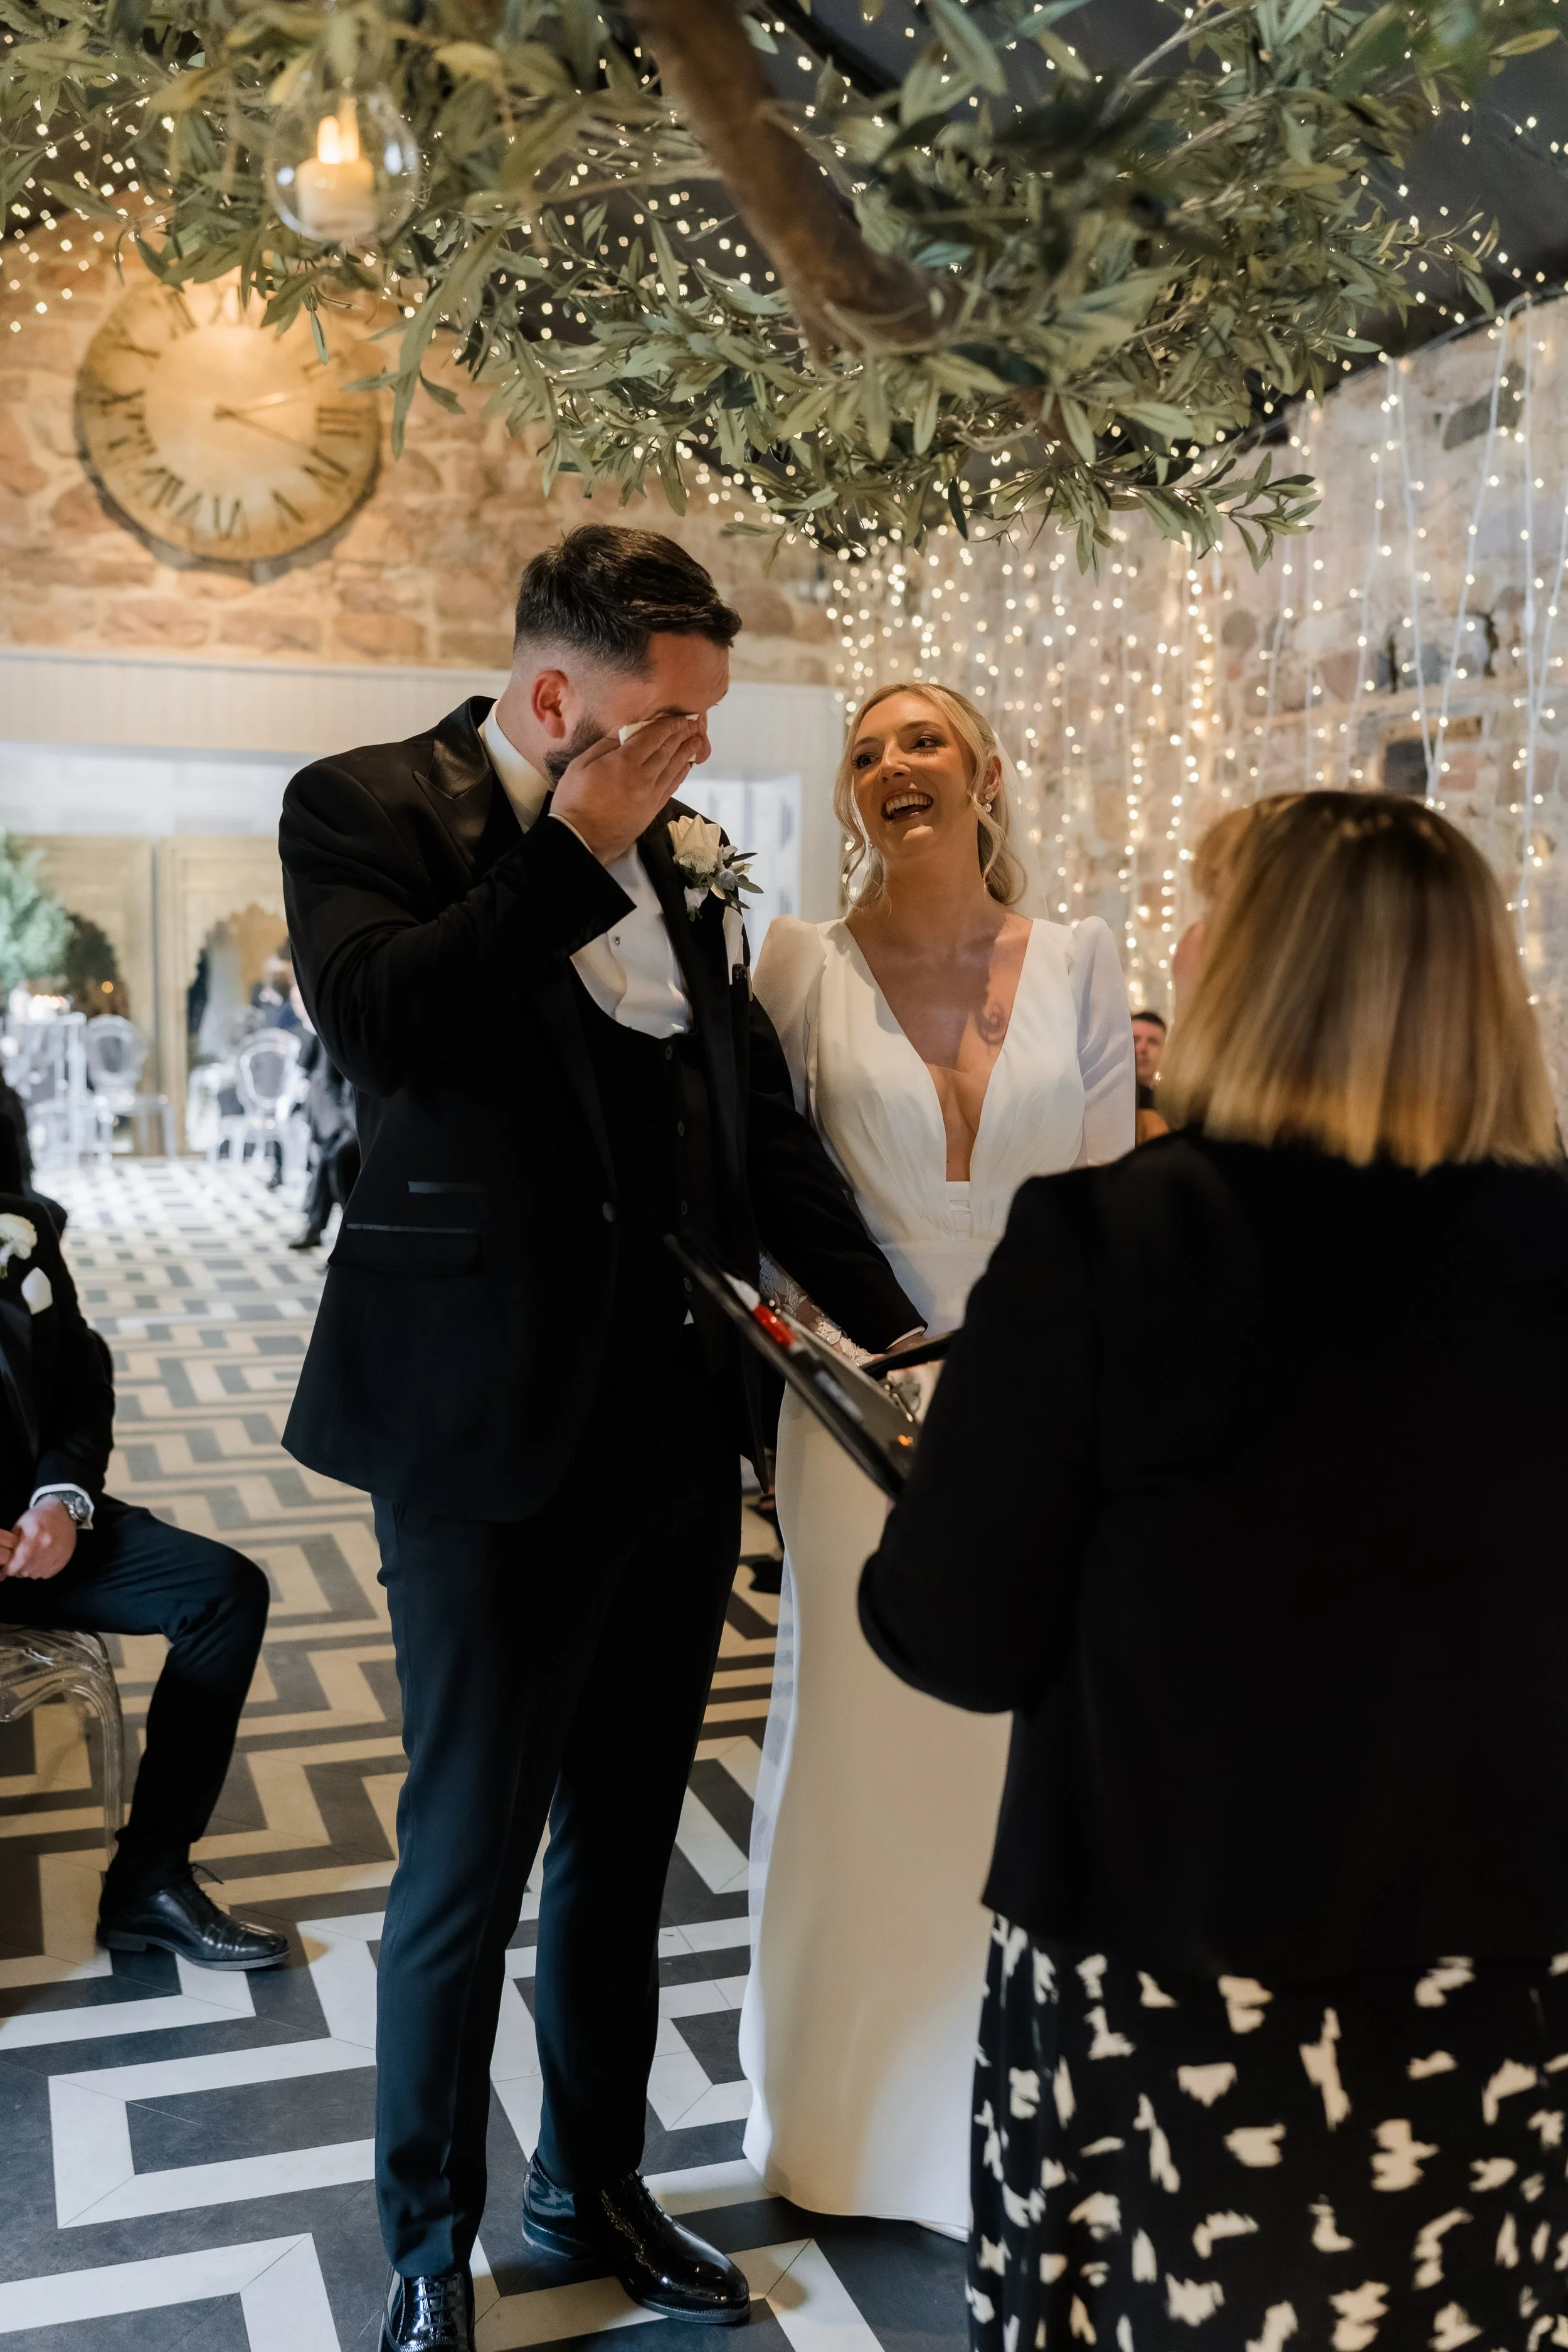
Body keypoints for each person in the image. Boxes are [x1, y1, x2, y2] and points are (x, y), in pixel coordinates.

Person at [278, 526, 922, 2352]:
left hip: (666, 1436)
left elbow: (747, 1128)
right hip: (479, 1425)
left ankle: (595, 2182)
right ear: (558, 696)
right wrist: (573, 848)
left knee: (625, 1845)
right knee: (464, 1857)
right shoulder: (364, 805)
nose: (690, 762)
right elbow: (386, 1017)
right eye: (666, 721)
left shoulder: (688, 866)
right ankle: (425, 2239)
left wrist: (902, 1330)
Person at [860, 789, 1568, 2351]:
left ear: (1260, 971)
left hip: (1163, 1969)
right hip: (1491, 1960)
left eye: (1202, 921)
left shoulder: (1106, 1245)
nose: (1172, 951)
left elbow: (950, 1634)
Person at [739, 681, 1135, 2237]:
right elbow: (761, 1189)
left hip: (1052, 1413)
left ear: (980, 772)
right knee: (861, 1746)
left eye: (922, 742)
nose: (894, 766)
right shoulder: (791, 968)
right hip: (857, 1417)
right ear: (848, 800)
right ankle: (846, 2124)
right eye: (864, 752)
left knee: (1030, 1762)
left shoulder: (1087, 960)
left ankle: (1018, 2103)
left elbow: (1112, 1210)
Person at [0, 1192, 283, 1969]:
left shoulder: (21, 1225)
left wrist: (59, 1501)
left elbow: (82, 1384)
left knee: (223, 1591)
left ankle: (148, 1881)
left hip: (29, 1529)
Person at [1130, 1005, 1168, 1143]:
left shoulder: (1170, 1109)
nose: (1142, 1048)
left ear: (1165, 1052)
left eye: (1152, 1041)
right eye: (1135, 1039)